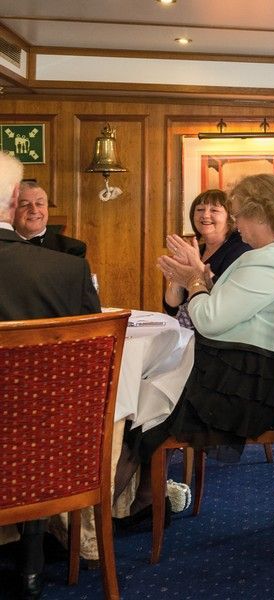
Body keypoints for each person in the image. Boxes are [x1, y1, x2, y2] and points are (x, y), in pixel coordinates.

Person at [128, 174, 274, 517]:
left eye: (238, 216)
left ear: (260, 215)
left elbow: (210, 321)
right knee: (155, 388)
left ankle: (138, 501)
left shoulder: (267, 260)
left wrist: (194, 280)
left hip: (247, 392)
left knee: (142, 397)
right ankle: (142, 495)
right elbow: (236, 307)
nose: (236, 224)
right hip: (264, 378)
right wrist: (202, 278)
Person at [0, 154, 100, 600]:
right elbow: (89, 365)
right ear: (10, 205)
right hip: (42, 446)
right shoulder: (68, 272)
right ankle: (32, 566)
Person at [163, 189, 250, 329]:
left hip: (220, 333)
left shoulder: (241, 249)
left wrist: (197, 267)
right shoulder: (196, 249)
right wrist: (176, 279)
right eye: (200, 209)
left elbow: (227, 300)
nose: (205, 215)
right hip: (189, 330)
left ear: (230, 218)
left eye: (214, 210)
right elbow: (171, 308)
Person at [13, 180, 87, 257]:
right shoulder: (2, 246)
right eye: (24, 204)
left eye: (39, 204)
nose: (34, 210)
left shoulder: (72, 249)